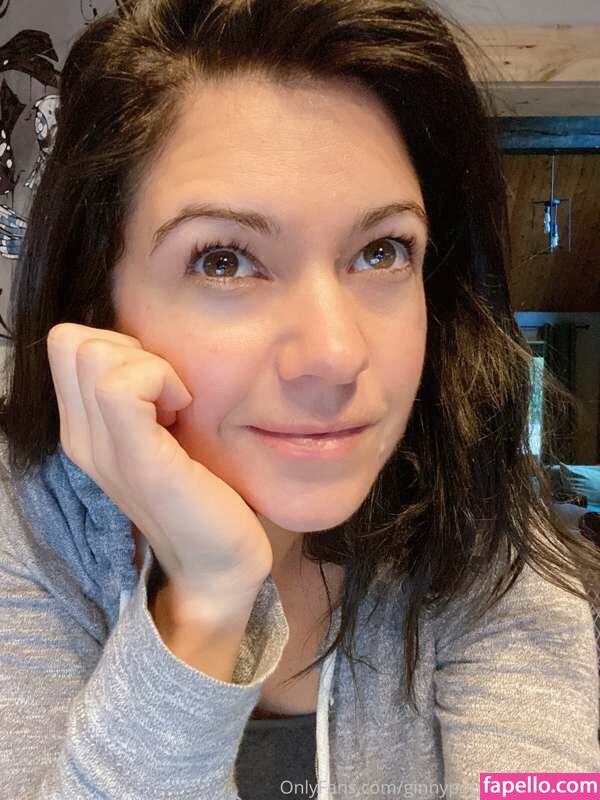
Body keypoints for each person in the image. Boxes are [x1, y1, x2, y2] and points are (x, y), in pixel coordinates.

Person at [0, 0, 598, 797]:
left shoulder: (486, 536)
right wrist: (206, 603)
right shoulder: (25, 538)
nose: (336, 355)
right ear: (97, 303)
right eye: (223, 260)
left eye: (381, 251)